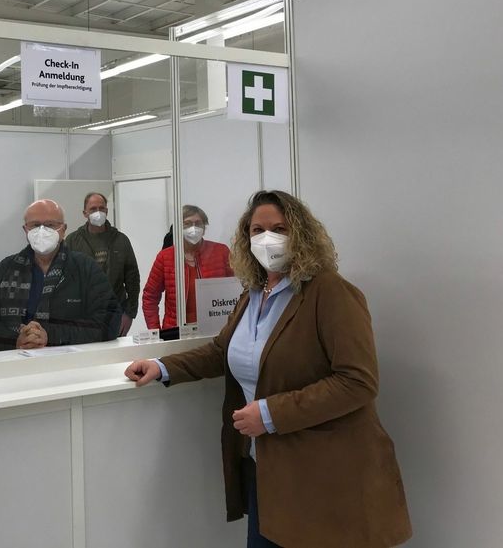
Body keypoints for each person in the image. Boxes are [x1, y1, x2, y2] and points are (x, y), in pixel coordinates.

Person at [125, 190, 412, 548]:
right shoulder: (253, 294)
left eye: (279, 228)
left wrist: (271, 413)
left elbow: (357, 381)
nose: (267, 238)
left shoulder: (330, 292)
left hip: (327, 473)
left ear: (301, 234)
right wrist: (161, 367)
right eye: (257, 230)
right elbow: (222, 351)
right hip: (269, 468)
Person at [0, 199, 121, 351]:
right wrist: (15, 341)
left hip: (70, 366)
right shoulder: (6, 269)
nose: (42, 231)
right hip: (14, 365)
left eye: (50, 225)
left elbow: (109, 321)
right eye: (35, 225)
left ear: (63, 230)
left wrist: (50, 335)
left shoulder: (85, 268)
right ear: (25, 230)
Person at [142, 204, 232, 331]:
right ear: (178, 227)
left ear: (204, 228)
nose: (193, 228)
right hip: (177, 330)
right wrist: (156, 332)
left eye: (198, 223)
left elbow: (237, 290)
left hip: (216, 329)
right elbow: (150, 297)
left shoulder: (221, 251)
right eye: (187, 224)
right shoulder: (165, 257)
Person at [64, 192, 140, 336]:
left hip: (116, 314)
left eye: (101, 208)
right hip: (83, 315)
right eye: (93, 209)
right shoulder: (73, 241)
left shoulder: (121, 240)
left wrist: (130, 314)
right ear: (85, 213)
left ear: (106, 210)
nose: (98, 212)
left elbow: (133, 279)